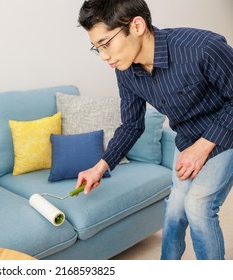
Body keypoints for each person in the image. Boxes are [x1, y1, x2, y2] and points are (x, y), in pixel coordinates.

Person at [76, 0, 233, 260]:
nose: (104, 56)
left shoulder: (201, 48)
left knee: (198, 207)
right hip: (187, 139)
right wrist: (100, 167)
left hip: (225, 133)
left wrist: (203, 146)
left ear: (137, 25)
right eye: (97, 48)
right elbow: (132, 124)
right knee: (174, 209)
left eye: (106, 44)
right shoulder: (125, 69)